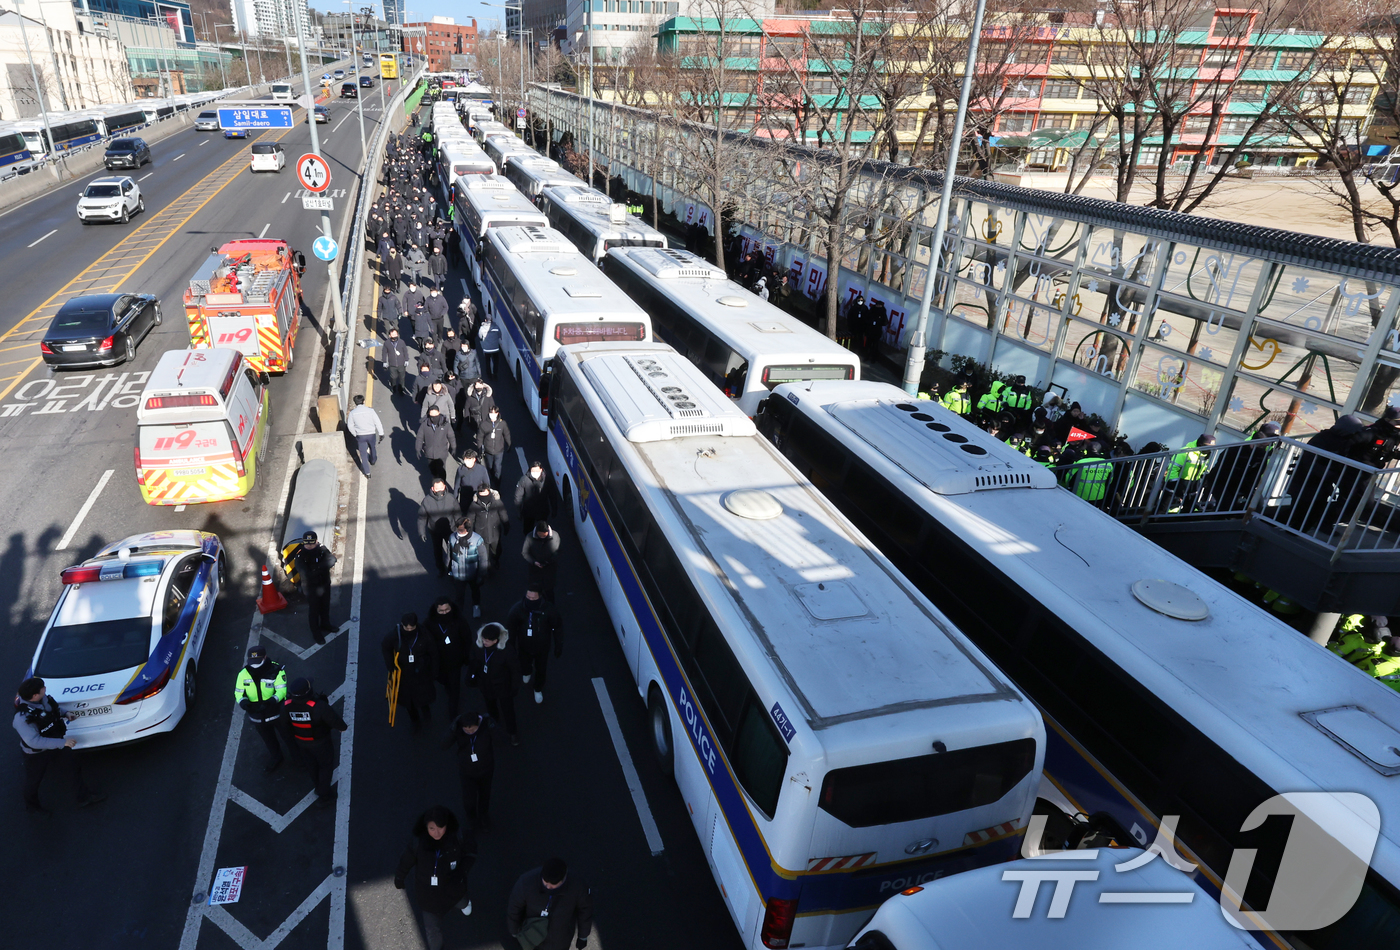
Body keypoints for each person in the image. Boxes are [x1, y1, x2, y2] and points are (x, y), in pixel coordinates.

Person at [13, 676, 103, 814]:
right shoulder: (22, 718)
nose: (45, 689)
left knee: (73, 767)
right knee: (34, 780)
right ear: (35, 695)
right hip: (37, 753)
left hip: (56, 743)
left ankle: (84, 798)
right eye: (42, 688)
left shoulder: (43, 699)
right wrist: (63, 742)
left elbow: (52, 709)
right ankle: (32, 807)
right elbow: (34, 741)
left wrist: (66, 714)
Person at [394, 805, 475, 950]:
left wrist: (462, 872)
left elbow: (471, 852)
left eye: (440, 827)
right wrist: (400, 877)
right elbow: (406, 861)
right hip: (428, 896)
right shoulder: (418, 843)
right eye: (432, 829)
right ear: (426, 828)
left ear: (447, 825)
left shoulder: (458, 837)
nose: (436, 833)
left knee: (462, 901)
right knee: (432, 931)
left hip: (454, 888)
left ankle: (464, 904)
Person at [281, 677, 347, 805]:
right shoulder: (319, 706)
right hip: (321, 743)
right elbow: (338, 723)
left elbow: (285, 726)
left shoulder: (286, 706)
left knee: (311, 765)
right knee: (325, 766)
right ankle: (324, 794)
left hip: (301, 742)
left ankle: (317, 786)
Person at [506, 859, 593, 950]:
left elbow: (585, 912)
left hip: (560, 940)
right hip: (532, 935)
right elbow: (514, 909)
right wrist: (514, 932)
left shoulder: (578, 887)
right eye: (545, 882)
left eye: (553, 885)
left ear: (564, 879)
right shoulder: (525, 883)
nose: (548, 887)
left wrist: (583, 936)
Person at [234, 645, 289, 772]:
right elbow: (238, 692)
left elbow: (282, 689)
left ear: (265, 657)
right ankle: (276, 757)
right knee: (268, 740)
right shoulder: (243, 674)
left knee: (288, 736)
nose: (254, 665)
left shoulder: (277, 670)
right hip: (257, 716)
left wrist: (271, 701)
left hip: (276, 713)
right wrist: (243, 703)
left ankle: (298, 758)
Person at [506, 587, 563, 705]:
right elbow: (511, 628)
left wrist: (558, 645)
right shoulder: (518, 609)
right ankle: (527, 672)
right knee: (523, 663)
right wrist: (511, 645)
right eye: (528, 597)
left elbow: (557, 628)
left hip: (542, 648)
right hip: (524, 646)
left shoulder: (549, 610)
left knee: (541, 669)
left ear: (540, 597)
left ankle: (537, 688)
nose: (530, 600)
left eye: (533, 598)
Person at [383, 613, 440, 731]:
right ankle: (415, 720)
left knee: (424, 696)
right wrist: (390, 665)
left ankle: (426, 714)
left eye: (412, 628)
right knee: (408, 701)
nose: (409, 630)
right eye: (407, 628)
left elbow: (434, 653)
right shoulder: (395, 635)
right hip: (403, 675)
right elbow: (386, 647)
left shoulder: (425, 635)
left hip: (422, 672)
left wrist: (434, 671)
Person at [467, 622, 519, 745]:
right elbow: (474, 661)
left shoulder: (507, 651)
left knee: (508, 711)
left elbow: (515, 671)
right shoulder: (478, 647)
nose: (484, 642)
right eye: (483, 639)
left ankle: (512, 733)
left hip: (503, 687)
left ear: (496, 640)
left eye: (488, 641)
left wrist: (514, 688)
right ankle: (494, 725)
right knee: (491, 708)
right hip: (486, 685)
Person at [444, 713, 494, 830]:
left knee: (485, 795)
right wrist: (452, 730)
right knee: (469, 799)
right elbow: (444, 745)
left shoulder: (486, 729)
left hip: (486, 770)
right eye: (466, 729)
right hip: (467, 772)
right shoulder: (458, 732)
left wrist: (493, 727)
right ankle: (471, 818)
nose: (469, 732)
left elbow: (502, 741)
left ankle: (483, 815)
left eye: (472, 729)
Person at [426, 597, 470, 718]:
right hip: (438, 662)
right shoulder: (429, 623)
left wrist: (467, 656)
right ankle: (447, 685)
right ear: (436, 611)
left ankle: (453, 714)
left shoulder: (459, 621)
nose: (445, 613)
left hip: (455, 661)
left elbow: (467, 638)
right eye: (441, 611)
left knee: (454, 688)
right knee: (443, 680)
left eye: (447, 610)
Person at [294, 531, 337, 644]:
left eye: (312, 543)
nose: (309, 546)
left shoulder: (321, 548)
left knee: (325, 606)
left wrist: (315, 568)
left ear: (316, 541)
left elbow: (332, 560)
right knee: (314, 610)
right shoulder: (300, 555)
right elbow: (306, 573)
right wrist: (322, 567)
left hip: (324, 584)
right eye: (307, 544)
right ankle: (316, 632)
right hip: (311, 588)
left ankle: (325, 624)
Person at [419, 477, 462, 577]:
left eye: (441, 488)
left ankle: (452, 568)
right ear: (433, 489)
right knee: (437, 550)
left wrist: (459, 528)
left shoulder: (451, 498)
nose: (439, 491)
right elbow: (422, 517)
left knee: (452, 550)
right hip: (435, 531)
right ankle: (440, 568)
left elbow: (457, 514)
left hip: (450, 529)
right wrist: (422, 532)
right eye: (437, 489)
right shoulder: (426, 501)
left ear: (444, 487)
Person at [1164, 433, 1217, 512]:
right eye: (1207, 447)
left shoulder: (1204, 454)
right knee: (1167, 506)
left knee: (1189, 507)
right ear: (1200, 444)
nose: (1208, 450)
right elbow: (1173, 469)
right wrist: (1175, 484)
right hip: (1178, 482)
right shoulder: (1185, 452)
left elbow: (1203, 467)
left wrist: (1206, 476)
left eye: (1210, 448)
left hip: (1193, 483)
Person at [467, 482, 510, 566]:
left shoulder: (497, 502)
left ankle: (496, 559)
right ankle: (487, 567)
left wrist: (506, 526)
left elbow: (503, 514)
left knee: (496, 550)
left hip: (495, 532)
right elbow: (470, 520)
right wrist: (469, 533)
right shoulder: (474, 505)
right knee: (483, 553)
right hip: (481, 533)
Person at [1063, 439, 1113, 508]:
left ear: (1087, 450)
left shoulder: (1081, 462)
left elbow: (1068, 477)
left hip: (1080, 495)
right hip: (1098, 496)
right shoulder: (1108, 464)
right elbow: (1110, 481)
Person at [346, 394, 385, 478]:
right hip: (371, 434)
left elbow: (350, 426)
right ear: (363, 401)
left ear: (355, 403)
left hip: (360, 436)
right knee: (372, 447)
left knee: (363, 454)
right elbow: (377, 422)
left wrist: (355, 434)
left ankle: (367, 473)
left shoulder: (352, 413)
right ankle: (373, 460)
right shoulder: (370, 411)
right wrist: (381, 433)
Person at [522, 520, 562, 601]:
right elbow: (525, 552)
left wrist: (549, 561)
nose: (542, 537)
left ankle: (550, 608)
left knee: (549, 592)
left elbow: (558, 552)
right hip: (535, 571)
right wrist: (534, 562)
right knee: (535, 592)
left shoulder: (555, 536)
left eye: (544, 535)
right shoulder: (529, 537)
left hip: (549, 570)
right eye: (540, 535)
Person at [416, 407, 457, 481]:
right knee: (432, 469)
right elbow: (419, 437)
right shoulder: (424, 425)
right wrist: (418, 449)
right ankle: (436, 478)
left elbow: (451, 436)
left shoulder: (445, 424)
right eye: (431, 416)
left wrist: (454, 447)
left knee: (441, 470)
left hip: (442, 453)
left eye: (435, 415)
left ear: (439, 413)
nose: (433, 418)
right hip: (429, 452)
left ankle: (442, 483)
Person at [477, 405, 512, 488]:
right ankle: (492, 477)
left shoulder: (502, 424)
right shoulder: (484, 424)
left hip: (499, 450)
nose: (492, 415)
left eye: (494, 413)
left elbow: (506, 434)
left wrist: (509, 444)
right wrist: (479, 448)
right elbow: (479, 437)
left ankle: (497, 485)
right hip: (488, 450)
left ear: (497, 413)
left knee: (498, 468)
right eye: (491, 413)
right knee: (490, 467)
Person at [514, 461, 555, 527]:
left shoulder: (547, 480)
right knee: (528, 529)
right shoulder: (524, 480)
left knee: (541, 529)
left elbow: (552, 495)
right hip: (529, 511)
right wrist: (519, 511)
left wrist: (554, 509)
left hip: (542, 510)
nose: (535, 473)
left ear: (541, 469)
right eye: (533, 471)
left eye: (537, 471)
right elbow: (518, 497)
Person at [383, 326, 412, 395]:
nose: (395, 336)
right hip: (392, 364)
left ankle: (401, 389)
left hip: (401, 364)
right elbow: (384, 353)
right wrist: (384, 361)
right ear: (390, 335)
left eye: (396, 334)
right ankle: (393, 387)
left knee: (402, 378)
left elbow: (405, 351)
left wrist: (406, 360)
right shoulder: (387, 343)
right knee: (393, 377)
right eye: (393, 335)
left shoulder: (401, 342)